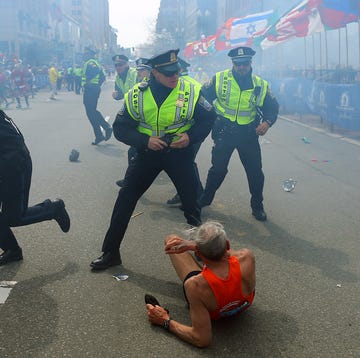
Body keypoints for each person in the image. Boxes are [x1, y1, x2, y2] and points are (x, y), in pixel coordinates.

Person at [90, 49, 216, 271]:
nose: (174, 76)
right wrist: (144, 140)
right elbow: (120, 128)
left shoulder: (190, 90)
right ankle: (110, 252)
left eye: (176, 71)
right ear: (154, 73)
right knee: (125, 200)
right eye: (168, 73)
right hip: (147, 155)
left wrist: (191, 137)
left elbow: (208, 118)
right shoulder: (137, 94)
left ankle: (204, 255)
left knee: (191, 207)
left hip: (179, 155)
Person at [145, 221, 256, 347]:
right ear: (227, 244)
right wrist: (196, 246)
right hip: (244, 304)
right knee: (216, 266)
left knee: (170, 239)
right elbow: (226, 253)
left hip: (215, 310)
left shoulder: (195, 285)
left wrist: (165, 321)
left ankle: (206, 263)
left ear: (198, 253)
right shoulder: (247, 257)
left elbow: (201, 339)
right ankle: (208, 260)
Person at [199, 47, 279, 221]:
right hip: (224, 131)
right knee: (218, 170)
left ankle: (257, 206)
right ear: (232, 63)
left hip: (248, 134)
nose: (241, 67)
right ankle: (204, 200)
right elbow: (202, 96)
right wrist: (211, 113)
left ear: (250, 63)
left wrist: (267, 123)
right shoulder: (220, 79)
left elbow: (272, 107)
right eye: (238, 64)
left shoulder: (260, 84)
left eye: (245, 64)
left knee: (255, 172)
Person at [0, 109, 71, 266]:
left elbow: (13, 148)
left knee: (14, 217)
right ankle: (12, 250)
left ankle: (53, 208)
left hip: (14, 165)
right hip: (8, 164)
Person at [166, 57, 203, 207]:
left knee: (184, 164)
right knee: (186, 163)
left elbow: (178, 110)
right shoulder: (194, 83)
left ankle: (194, 196)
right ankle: (188, 194)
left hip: (187, 132)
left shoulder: (183, 86)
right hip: (194, 132)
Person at [115, 57, 151, 188]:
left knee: (177, 166)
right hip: (145, 128)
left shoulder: (150, 85)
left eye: (142, 70)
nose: (139, 73)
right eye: (139, 70)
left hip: (158, 130)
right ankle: (130, 182)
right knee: (134, 153)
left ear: (149, 71)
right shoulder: (141, 84)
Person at [81, 46, 112, 145]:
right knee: (91, 112)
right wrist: (96, 85)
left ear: (90, 54)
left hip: (91, 90)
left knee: (91, 112)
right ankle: (99, 135)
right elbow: (102, 75)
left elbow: (97, 73)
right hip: (92, 89)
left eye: (86, 53)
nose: (84, 55)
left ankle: (106, 127)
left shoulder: (91, 62)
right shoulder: (95, 62)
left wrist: (90, 83)